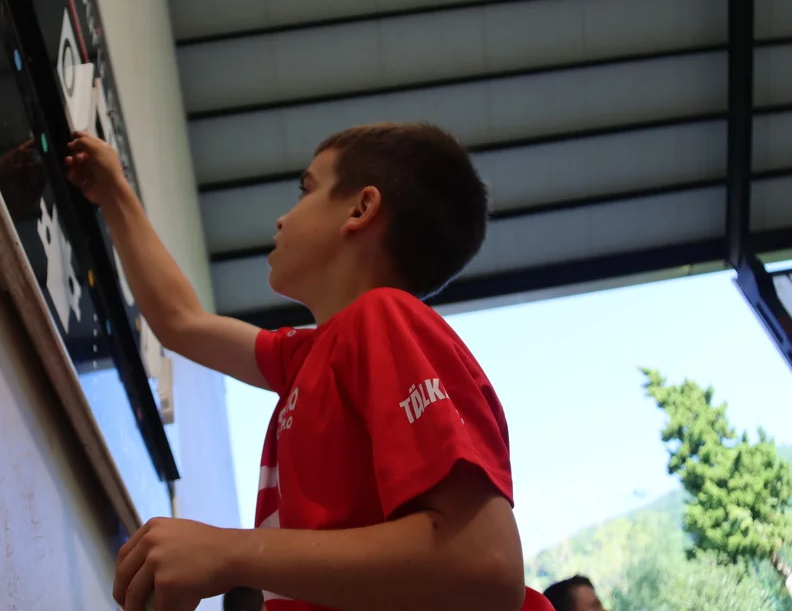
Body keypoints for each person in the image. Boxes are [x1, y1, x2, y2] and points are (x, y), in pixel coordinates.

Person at [65, 122, 554, 611]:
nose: (282, 219)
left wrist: (229, 552)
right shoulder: (307, 358)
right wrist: (114, 193)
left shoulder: (383, 316)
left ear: (360, 209)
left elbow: (483, 562)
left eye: (306, 190)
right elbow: (181, 322)